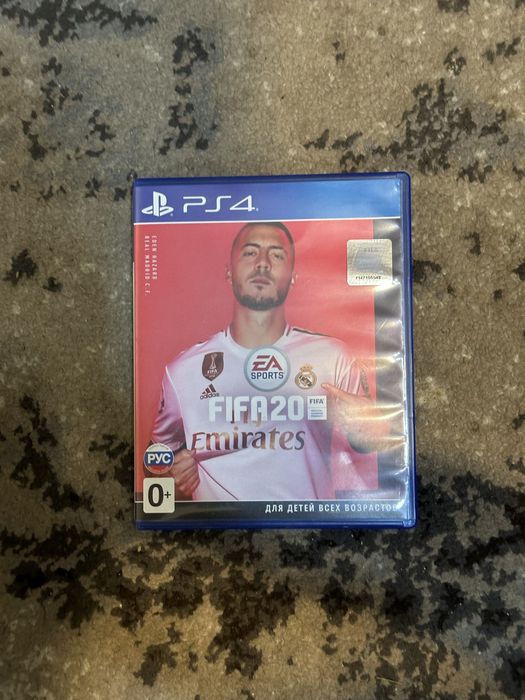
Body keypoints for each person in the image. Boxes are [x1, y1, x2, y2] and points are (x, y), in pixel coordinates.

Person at [149, 221, 393, 501]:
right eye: (250, 252)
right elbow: (154, 462)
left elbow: (370, 448)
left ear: (293, 277)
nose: (262, 263)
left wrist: (369, 432)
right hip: (219, 527)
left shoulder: (333, 357)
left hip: (307, 526)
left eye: (277, 255)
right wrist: (169, 474)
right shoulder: (183, 372)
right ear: (229, 272)